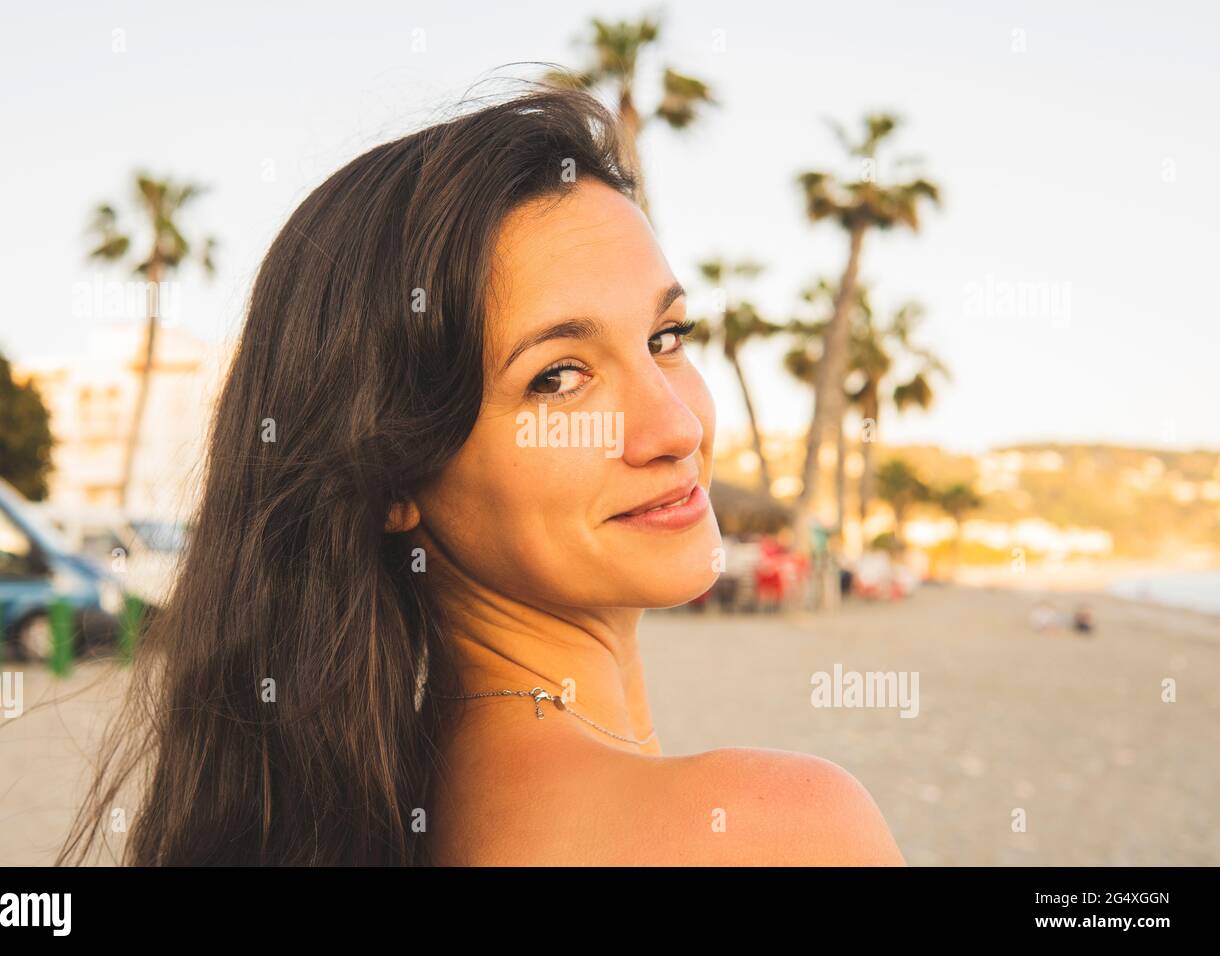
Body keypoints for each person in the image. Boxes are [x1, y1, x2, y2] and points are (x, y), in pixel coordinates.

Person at [60, 86, 904, 867]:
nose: (676, 429)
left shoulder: (347, 816)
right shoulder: (784, 830)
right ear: (394, 477)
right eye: (559, 377)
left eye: (666, 338)